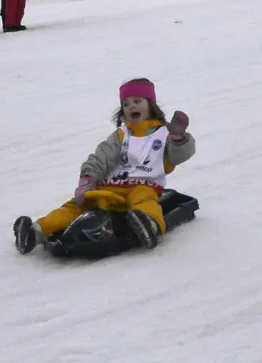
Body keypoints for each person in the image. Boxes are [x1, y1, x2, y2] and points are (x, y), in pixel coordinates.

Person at [13, 78, 195, 254]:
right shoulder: (121, 135)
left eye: (137, 101)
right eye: (126, 104)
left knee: (144, 201)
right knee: (74, 206)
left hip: (143, 186)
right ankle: (34, 232)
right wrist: (88, 179)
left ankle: (149, 225)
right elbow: (101, 157)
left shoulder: (165, 134)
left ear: (151, 104)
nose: (131, 106)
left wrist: (179, 139)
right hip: (109, 187)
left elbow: (178, 156)